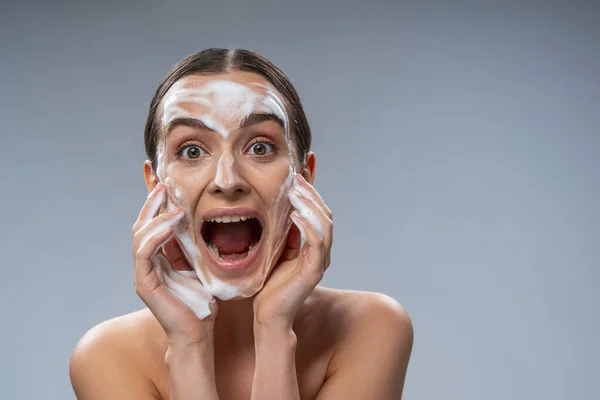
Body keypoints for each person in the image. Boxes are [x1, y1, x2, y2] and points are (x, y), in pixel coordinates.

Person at [69, 48, 414, 400]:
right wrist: (189, 346)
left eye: (261, 147)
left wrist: (274, 331)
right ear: (155, 185)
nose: (227, 179)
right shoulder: (106, 357)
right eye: (192, 151)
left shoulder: (372, 328)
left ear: (305, 177)